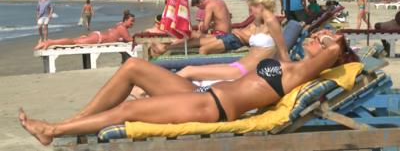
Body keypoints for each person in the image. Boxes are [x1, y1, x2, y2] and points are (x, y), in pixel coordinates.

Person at [19, 29, 359, 146]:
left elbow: (331, 51)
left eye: (321, 39)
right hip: (202, 96)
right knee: (134, 68)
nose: (316, 38)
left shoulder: (303, 72)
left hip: (210, 109)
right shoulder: (293, 64)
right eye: (317, 36)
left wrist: (334, 42)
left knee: (129, 111)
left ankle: (53, 130)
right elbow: (293, 48)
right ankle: (76, 119)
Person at [177, 0, 290, 82]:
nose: (250, 13)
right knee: (189, 69)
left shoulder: (271, 22)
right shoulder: (259, 22)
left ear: (260, 6)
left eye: (251, 9)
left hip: (242, 72)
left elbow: (283, 52)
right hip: (238, 66)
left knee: (189, 71)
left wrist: (290, 76)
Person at [34, 11, 135, 50]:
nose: (132, 23)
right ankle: (50, 42)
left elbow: (122, 37)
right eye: (131, 21)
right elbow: (130, 39)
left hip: (97, 36)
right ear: (125, 20)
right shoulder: (122, 28)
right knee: (73, 42)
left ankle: (48, 42)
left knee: (73, 40)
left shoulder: (120, 25)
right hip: (98, 39)